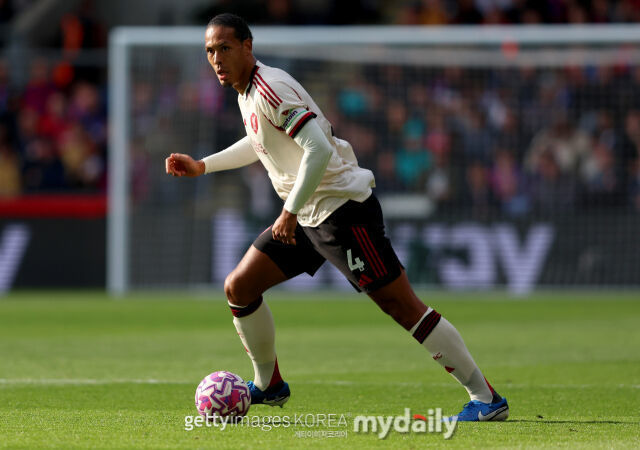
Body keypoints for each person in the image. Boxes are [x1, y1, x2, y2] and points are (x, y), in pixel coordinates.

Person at [165, 13, 508, 422]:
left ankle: (486, 398)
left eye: (224, 48)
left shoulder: (271, 88)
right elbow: (259, 141)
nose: (217, 58)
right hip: (309, 214)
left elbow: (318, 149)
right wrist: (203, 166)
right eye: (210, 51)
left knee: (402, 306)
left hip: (342, 213)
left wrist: (289, 211)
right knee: (239, 287)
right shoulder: (248, 93)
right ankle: (269, 385)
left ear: (247, 47)